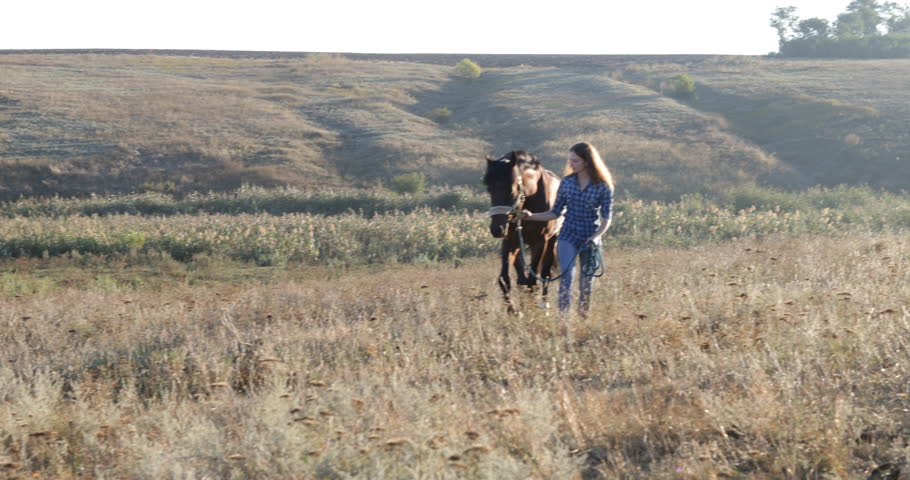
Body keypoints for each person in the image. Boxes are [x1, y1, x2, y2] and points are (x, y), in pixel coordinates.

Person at [519, 142, 614, 318]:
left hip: (590, 236)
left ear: (587, 161)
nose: (571, 164)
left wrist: (596, 237)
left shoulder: (603, 186)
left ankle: (583, 315)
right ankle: (564, 319)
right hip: (568, 235)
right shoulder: (567, 183)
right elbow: (555, 212)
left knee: (586, 281)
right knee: (566, 278)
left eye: (575, 161)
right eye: (570, 160)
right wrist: (530, 216)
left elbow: (607, 218)